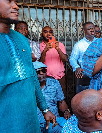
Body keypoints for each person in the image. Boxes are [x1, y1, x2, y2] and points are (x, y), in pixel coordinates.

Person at [0, 0, 56, 132]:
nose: (16, 6)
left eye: (16, 2)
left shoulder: (22, 40)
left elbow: (32, 77)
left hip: (30, 122)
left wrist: (45, 108)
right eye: (9, 1)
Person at [33, 61, 72, 133]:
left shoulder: (54, 83)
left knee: (70, 127)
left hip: (53, 121)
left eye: (43, 70)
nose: (42, 73)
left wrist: (66, 111)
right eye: (38, 72)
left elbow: (61, 102)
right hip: (35, 124)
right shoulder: (28, 87)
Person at [40, 26, 68, 97]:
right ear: (41, 34)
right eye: (45, 32)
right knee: (48, 98)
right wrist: (45, 50)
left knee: (61, 98)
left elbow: (65, 60)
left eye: (50, 32)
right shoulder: (39, 46)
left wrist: (58, 49)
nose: (48, 34)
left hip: (60, 77)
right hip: (46, 78)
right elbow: (40, 63)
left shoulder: (60, 45)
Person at [69, 22, 96, 93]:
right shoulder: (79, 45)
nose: (92, 30)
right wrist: (77, 67)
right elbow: (72, 59)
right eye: (89, 29)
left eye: (93, 28)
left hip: (99, 75)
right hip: (85, 75)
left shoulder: (99, 42)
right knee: (83, 98)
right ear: (84, 31)